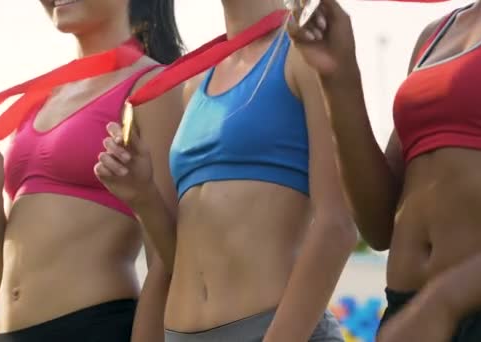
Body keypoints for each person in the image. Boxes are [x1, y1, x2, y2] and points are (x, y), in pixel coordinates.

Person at [289, 0, 481, 341]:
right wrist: (339, 74)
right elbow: (379, 226)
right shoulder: (433, 36)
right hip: (411, 313)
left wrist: (446, 300)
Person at [95, 0, 359, 340]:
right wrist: (143, 195)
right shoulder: (194, 85)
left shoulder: (305, 55)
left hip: (271, 330)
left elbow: (337, 225)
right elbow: (178, 257)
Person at [0, 0, 183, 341]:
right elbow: (12, 281)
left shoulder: (153, 87)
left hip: (92, 327)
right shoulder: (37, 99)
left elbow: (166, 260)